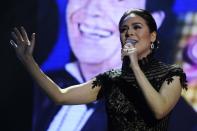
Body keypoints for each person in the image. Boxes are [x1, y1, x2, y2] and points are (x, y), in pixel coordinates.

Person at [10, 9, 187, 130]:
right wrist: (28, 61)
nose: (129, 33)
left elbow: (159, 109)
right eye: (124, 29)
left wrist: (134, 66)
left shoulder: (171, 75)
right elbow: (60, 95)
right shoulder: (112, 79)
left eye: (137, 27)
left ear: (153, 36)